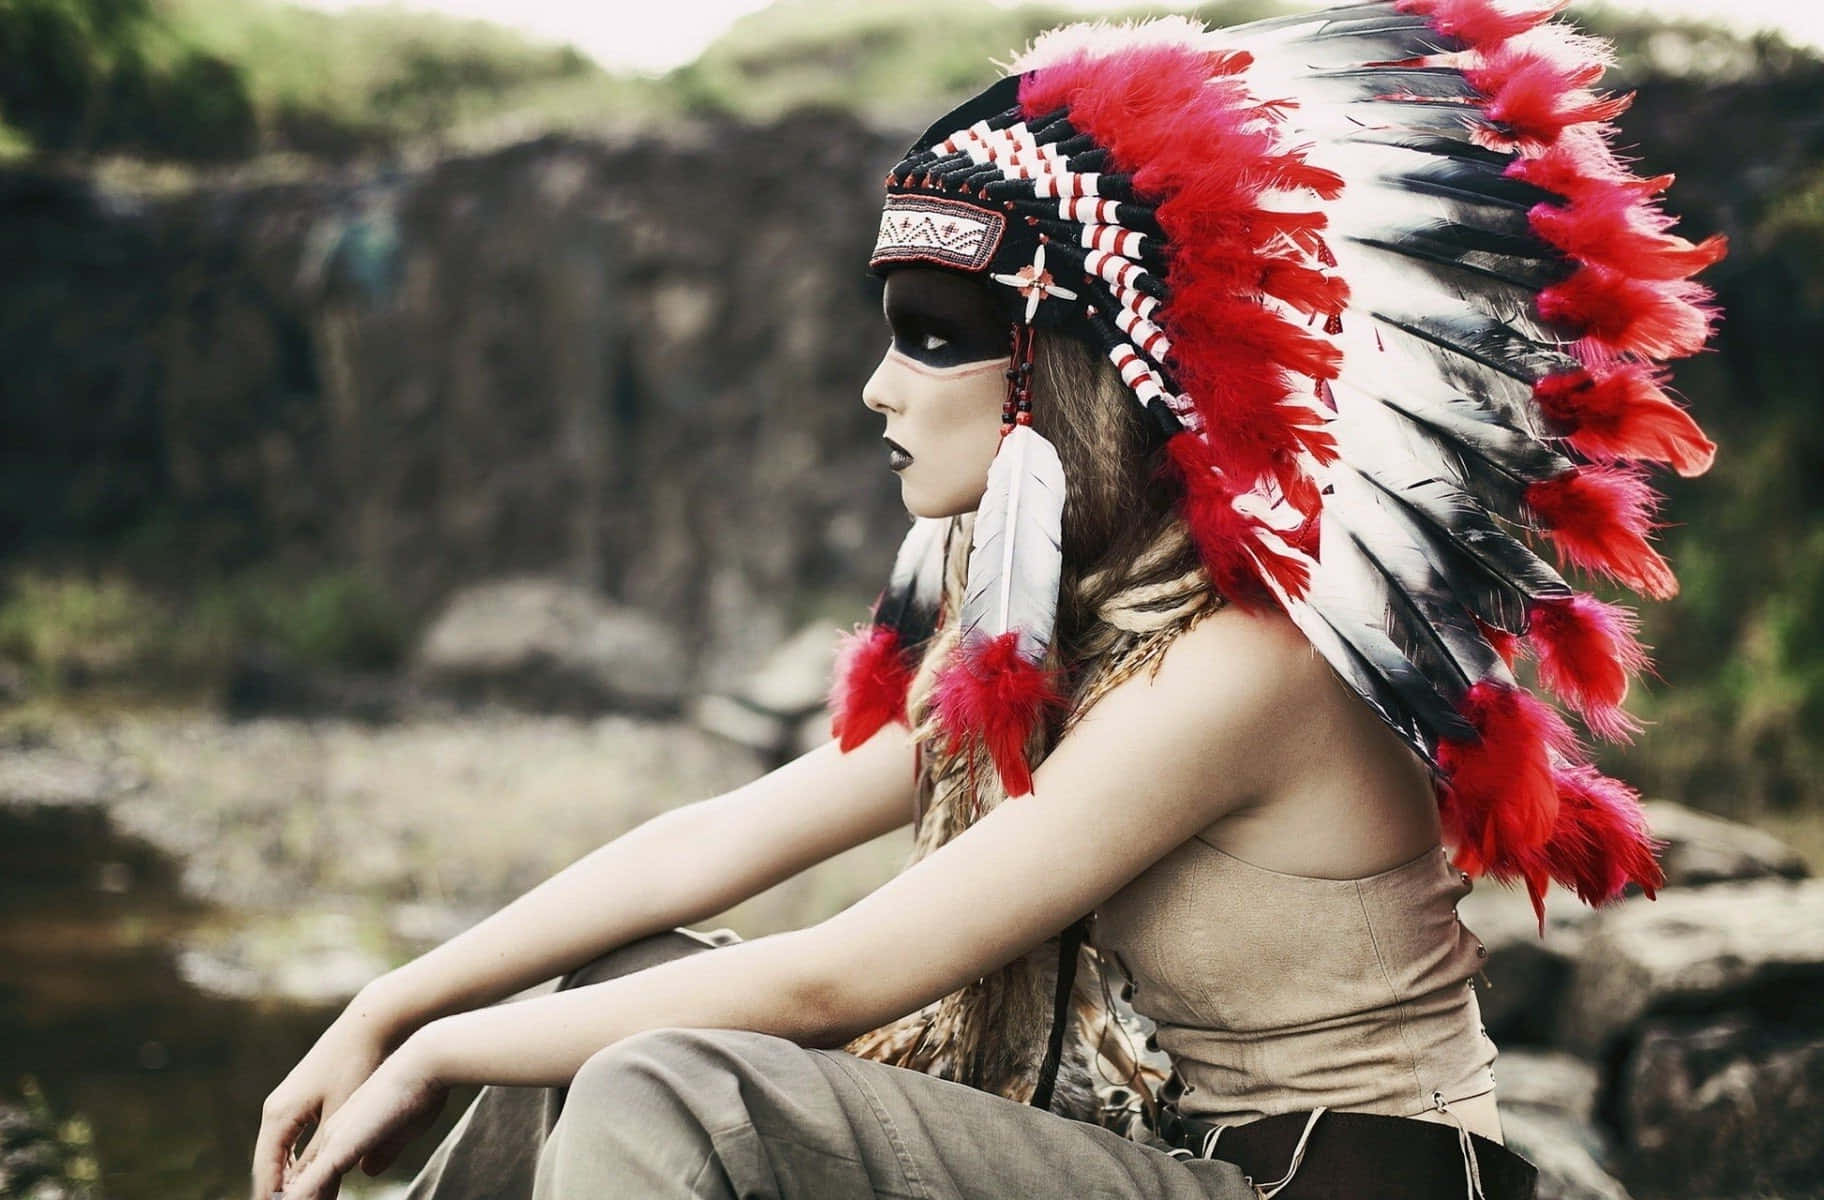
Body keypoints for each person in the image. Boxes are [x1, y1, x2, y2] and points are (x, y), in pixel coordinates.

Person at [253, 1, 1725, 1197]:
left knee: (674, 1078)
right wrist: (398, 1005)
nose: (878, 385)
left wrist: (447, 1054)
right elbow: (718, 836)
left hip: (1300, 1187)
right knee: (617, 989)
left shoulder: (1246, 668)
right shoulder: (1060, 632)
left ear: (1069, 368)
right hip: (1137, 1150)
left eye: (932, 333)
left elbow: (843, 976)